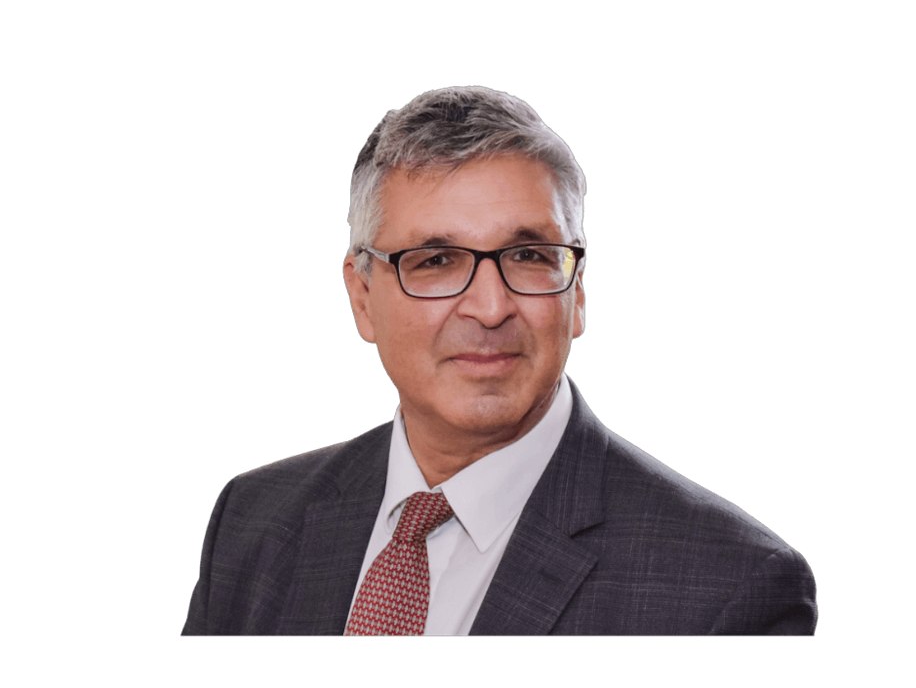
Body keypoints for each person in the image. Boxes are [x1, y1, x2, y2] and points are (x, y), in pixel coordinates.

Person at [181, 86, 817, 636]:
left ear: (577, 293)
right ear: (363, 297)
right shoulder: (254, 521)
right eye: (435, 261)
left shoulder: (730, 587)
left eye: (530, 256)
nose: (490, 308)